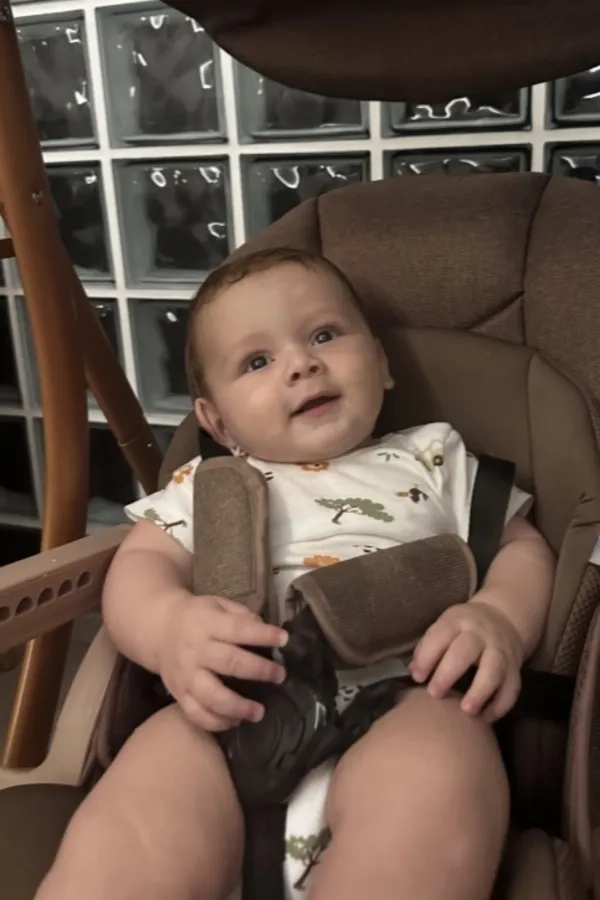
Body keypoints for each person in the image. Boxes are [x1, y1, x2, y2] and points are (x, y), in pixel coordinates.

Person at [36, 247, 554, 900]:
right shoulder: (207, 485)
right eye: (257, 361)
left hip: (405, 693)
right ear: (216, 421)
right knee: (135, 818)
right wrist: (168, 626)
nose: (301, 364)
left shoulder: (434, 458)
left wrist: (498, 616)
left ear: (382, 364)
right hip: (229, 713)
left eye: (325, 335)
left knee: (442, 766)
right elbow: (141, 565)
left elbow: (521, 547)